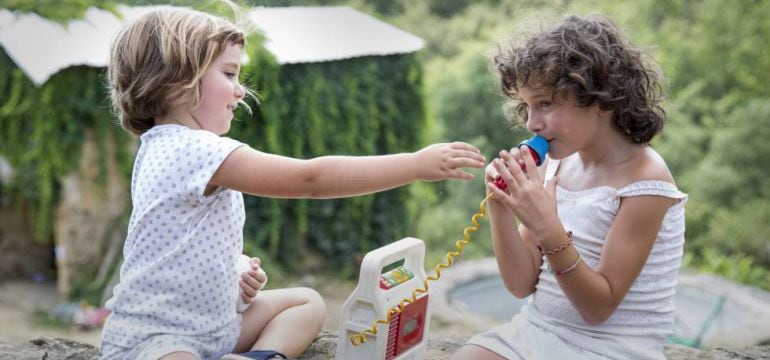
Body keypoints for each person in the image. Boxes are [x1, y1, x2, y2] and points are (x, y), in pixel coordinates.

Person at [100, 7, 486, 360]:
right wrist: (414, 164)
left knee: (306, 303)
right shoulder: (191, 148)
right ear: (176, 80)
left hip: (215, 328)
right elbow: (311, 179)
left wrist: (233, 267)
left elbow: (174, 240)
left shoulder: (164, 148)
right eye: (229, 73)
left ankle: (261, 357)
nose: (240, 90)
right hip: (160, 340)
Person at [451, 14, 687, 360]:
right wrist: (501, 206)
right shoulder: (559, 165)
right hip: (540, 330)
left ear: (601, 99)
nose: (532, 123)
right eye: (527, 107)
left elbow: (598, 308)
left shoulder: (645, 180)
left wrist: (548, 228)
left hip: (613, 348)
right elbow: (520, 285)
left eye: (545, 104)